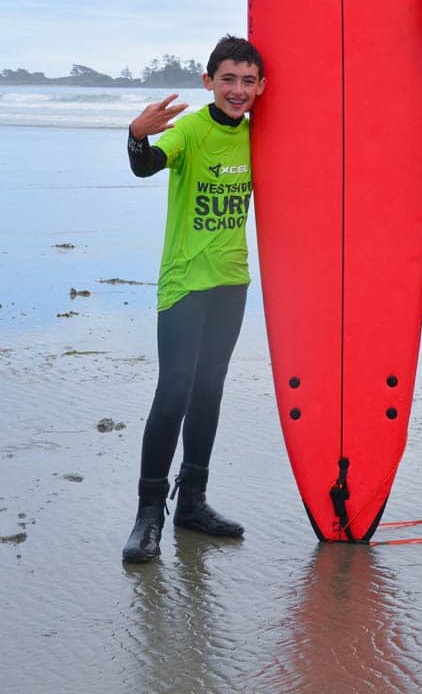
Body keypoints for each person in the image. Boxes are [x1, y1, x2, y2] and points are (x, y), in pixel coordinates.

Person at [122, 35, 266, 564]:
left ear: (260, 87)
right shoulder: (191, 130)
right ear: (209, 82)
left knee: (209, 390)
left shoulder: (260, 137)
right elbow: (146, 165)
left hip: (232, 281)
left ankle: (194, 502)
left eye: (248, 81)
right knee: (175, 390)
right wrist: (136, 137)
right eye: (228, 79)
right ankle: (147, 515)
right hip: (184, 282)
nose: (237, 89)